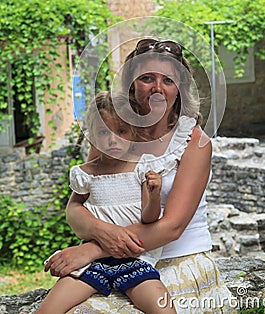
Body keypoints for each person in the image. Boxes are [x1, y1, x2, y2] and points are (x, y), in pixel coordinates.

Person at [45, 38, 234, 313]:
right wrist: (101, 232)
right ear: (131, 84)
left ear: (179, 89)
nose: (158, 88)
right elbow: (75, 207)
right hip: (112, 263)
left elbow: (172, 227)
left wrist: (93, 249)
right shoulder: (113, 133)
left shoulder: (195, 142)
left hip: (175, 261)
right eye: (147, 78)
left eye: (168, 80)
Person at [36, 91, 176, 314]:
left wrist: (155, 194)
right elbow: (75, 208)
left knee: (163, 308)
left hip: (134, 258)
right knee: (47, 310)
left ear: (132, 132)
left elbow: (149, 219)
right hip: (91, 261)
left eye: (121, 131)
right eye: (103, 132)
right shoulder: (86, 174)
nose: (112, 139)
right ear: (91, 134)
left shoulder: (140, 167)